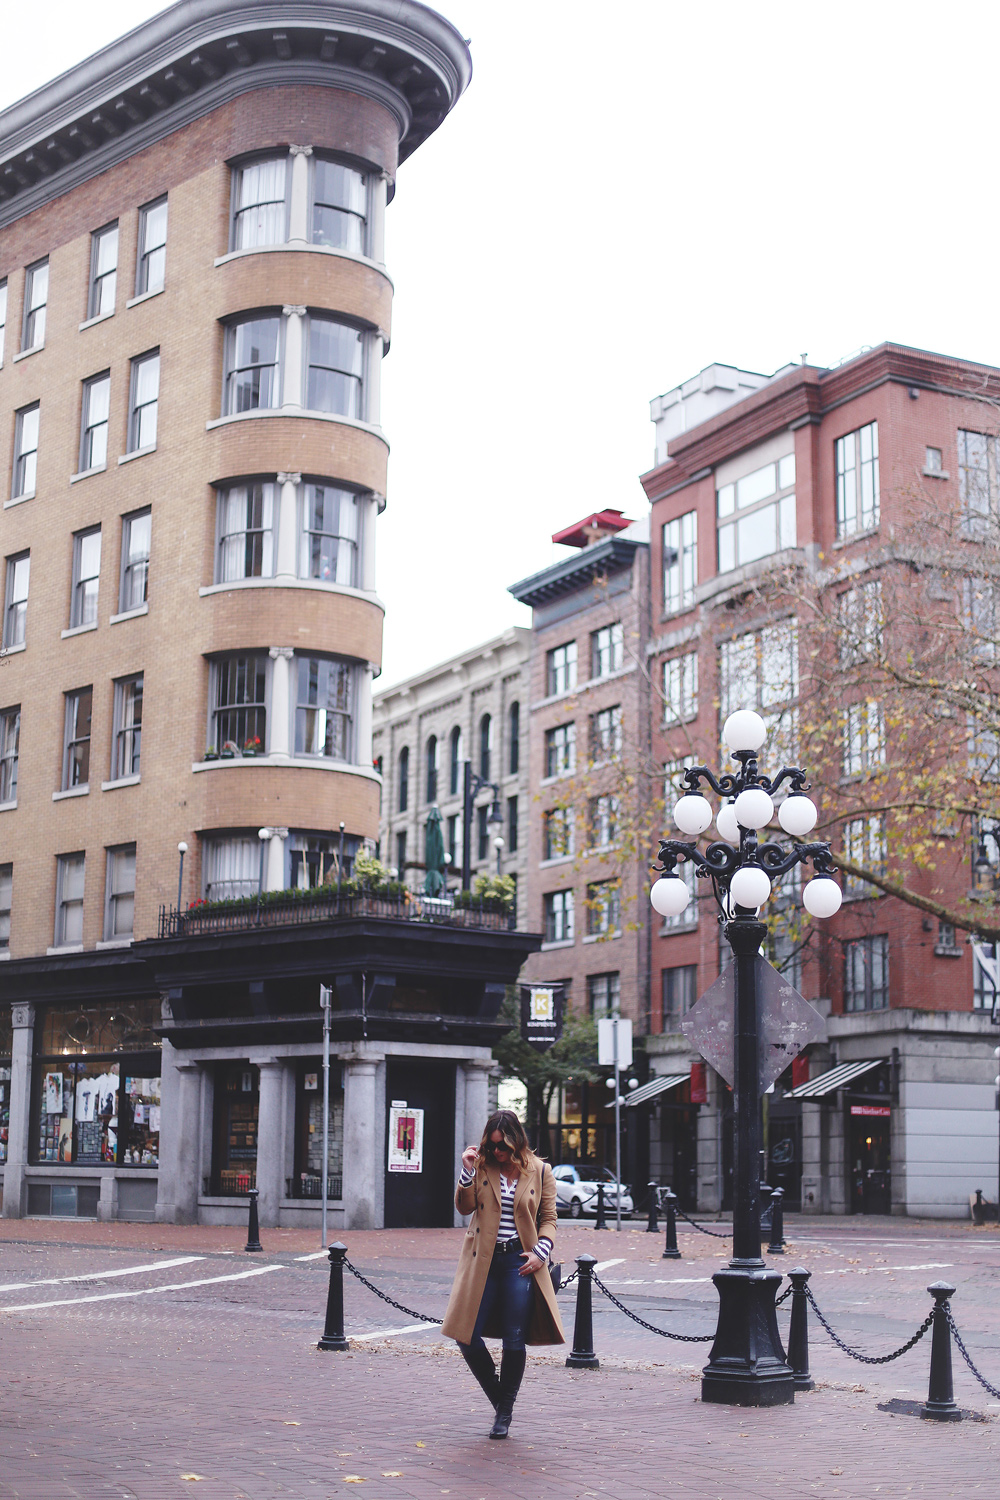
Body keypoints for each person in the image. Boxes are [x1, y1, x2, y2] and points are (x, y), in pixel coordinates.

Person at [441, 1109, 565, 1439]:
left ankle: (503, 1414)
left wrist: (542, 1251)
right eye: (492, 1145)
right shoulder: (482, 1166)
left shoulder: (540, 1171)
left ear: (516, 1141)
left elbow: (549, 1218)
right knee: (464, 1335)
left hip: (519, 1262)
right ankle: (501, 1400)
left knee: (514, 1338)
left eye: (503, 1146)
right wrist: (466, 1172)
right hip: (482, 1260)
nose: (497, 1152)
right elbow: (465, 1207)